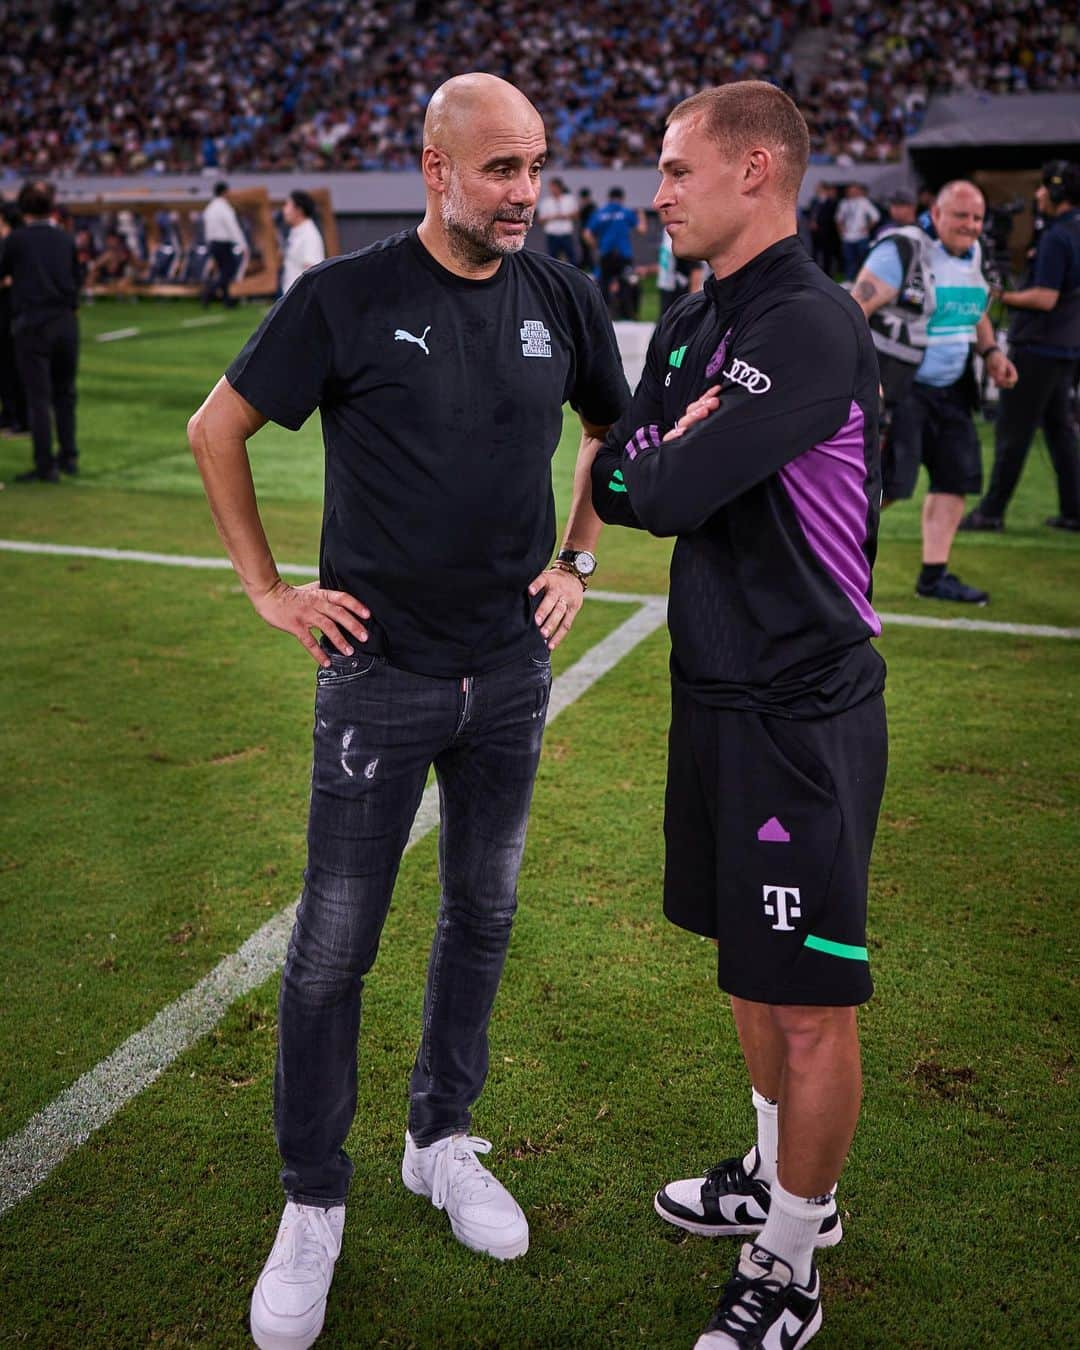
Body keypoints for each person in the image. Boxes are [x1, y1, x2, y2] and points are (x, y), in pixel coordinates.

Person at [187, 72, 628, 1350]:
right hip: (377, 677)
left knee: (482, 912)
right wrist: (270, 591)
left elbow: (614, 430)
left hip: (510, 674)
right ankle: (311, 1201)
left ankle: (440, 1139)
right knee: (333, 947)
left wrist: (579, 559)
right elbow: (220, 429)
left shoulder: (564, 297)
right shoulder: (346, 297)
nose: (525, 194)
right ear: (435, 167)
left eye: (535, 166)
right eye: (500, 169)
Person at [591, 80, 887, 1350]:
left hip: (800, 710)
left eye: (674, 170)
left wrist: (666, 456)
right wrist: (662, 451)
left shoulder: (812, 326)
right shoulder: (692, 319)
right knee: (747, 972)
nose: (656, 192)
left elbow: (663, 489)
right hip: (711, 693)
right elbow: (618, 465)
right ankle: (775, 1186)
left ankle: (791, 1262)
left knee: (811, 1000)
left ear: (755, 170)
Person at [853, 180, 1018, 603]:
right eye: (961, 216)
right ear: (937, 214)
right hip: (901, 388)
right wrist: (864, 375)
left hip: (953, 388)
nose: (970, 225)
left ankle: (933, 576)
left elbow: (975, 309)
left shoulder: (976, 254)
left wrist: (992, 353)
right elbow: (853, 312)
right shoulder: (902, 251)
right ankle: (831, 565)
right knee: (887, 486)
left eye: (977, 218)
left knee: (954, 480)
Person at [961, 160, 1080, 533]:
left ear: (1059, 192)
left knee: (1013, 432)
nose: (1039, 194)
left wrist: (1002, 296)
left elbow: (1045, 297)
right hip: (1065, 348)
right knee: (1061, 433)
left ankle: (991, 511)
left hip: (1038, 347)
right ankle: (1074, 510)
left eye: (1045, 188)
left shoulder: (1058, 237)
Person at [0, 182, 81, 482]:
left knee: (38, 397)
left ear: (22, 209)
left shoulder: (17, 240)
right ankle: (69, 456)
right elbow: (76, 279)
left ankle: (45, 465)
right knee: (65, 393)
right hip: (65, 321)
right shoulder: (65, 239)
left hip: (32, 323)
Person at [584, 185, 645, 319]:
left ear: (609, 198)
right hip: (623, 255)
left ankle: (603, 316)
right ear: (622, 198)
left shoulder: (600, 213)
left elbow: (587, 234)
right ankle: (628, 314)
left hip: (606, 254)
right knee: (627, 283)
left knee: (603, 284)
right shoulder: (625, 212)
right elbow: (642, 230)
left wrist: (596, 246)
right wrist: (640, 213)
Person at [0, 202, 29, 437]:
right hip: (8, 308)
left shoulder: (15, 242)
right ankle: (9, 414)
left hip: (13, 309)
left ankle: (19, 417)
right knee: (5, 366)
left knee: (14, 366)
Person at [201, 180, 247, 308]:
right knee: (229, 270)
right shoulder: (225, 208)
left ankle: (227, 301)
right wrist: (242, 244)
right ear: (225, 192)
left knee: (222, 271)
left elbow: (207, 228)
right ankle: (209, 292)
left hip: (213, 243)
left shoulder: (209, 208)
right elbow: (233, 227)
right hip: (224, 243)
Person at [280, 190, 326, 293]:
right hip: (289, 294)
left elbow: (312, 270)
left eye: (287, 205)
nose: (284, 210)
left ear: (299, 210)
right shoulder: (295, 231)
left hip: (301, 297)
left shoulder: (310, 235)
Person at [835, 182, 880, 279]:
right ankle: (849, 280)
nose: (852, 192)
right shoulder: (844, 203)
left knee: (863, 260)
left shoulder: (864, 202)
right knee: (848, 261)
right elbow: (838, 219)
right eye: (850, 191)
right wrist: (841, 231)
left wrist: (867, 227)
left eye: (854, 190)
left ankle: (862, 280)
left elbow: (876, 216)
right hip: (847, 237)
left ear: (858, 191)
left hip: (861, 237)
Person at [536, 175, 578, 264]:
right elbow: (540, 220)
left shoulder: (569, 199)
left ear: (559, 187)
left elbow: (576, 215)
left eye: (553, 187)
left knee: (572, 258)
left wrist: (565, 216)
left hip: (566, 233)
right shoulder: (546, 202)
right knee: (552, 259)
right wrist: (553, 217)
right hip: (552, 234)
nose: (551, 189)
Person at [804, 181, 839, 276]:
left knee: (826, 253)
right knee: (815, 252)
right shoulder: (814, 201)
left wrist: (819, 223)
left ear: (824, 189)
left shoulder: (832, 202)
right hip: (815, 232)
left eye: (818, 187)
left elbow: (831, 217)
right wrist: (811, 221)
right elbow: (811, 213)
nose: (816, 189)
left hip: (827, 232)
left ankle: (827, 273)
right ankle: (815, 273)